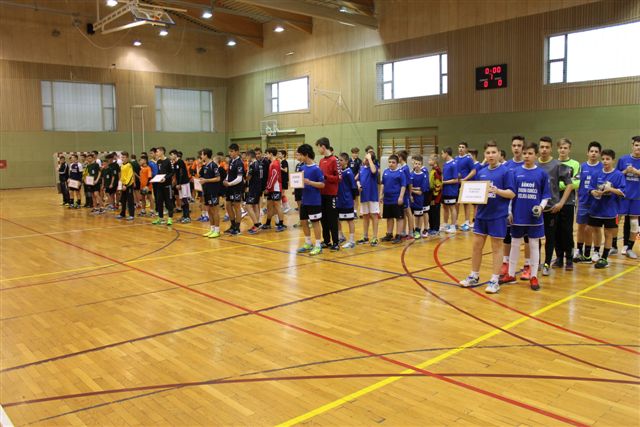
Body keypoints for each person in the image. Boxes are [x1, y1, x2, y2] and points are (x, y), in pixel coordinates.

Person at [459, 141, 516, 293]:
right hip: (481, 215)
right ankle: (474, 275)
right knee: (476, 246)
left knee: (496, 248)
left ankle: (494, 280)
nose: (491, 155)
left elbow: (512, 193)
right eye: (488, 153)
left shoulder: (506, 172)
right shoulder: (481, 172)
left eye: (493, 152)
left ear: (499, 154)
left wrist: (497, 191)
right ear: (485, 155)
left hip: (498, 216)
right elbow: (477, 192)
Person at [500, 141, 551, 291]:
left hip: (534, 217)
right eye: (525, 153)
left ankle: (533, 276)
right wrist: (510, 211)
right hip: (518, 215)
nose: (527, 156)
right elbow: (511, 194)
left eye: (530, 153)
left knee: (534, 244)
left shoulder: (542, 173)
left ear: (535, 155)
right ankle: (511, 274)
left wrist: (541, 207)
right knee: (515, 244)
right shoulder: (515, 172)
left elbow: (546, 195)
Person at [537, 136, 573, 276]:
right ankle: (536, 262)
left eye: (547, 147)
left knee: (550, 237)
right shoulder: (534, 164)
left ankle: (547, 263)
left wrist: (561, 203)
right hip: (536, 209)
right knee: (535, 238)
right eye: (542, 147)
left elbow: (569, 185)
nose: (544, 150)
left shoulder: (557, 165)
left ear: (551, 149)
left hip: (551, 208)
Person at [588, 149, 627, 269]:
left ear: (613, 160)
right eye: (603, 159)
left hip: (610, 210)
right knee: (596, 230)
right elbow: (590, 188)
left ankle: (604, 258)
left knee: (608, 233)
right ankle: (596, 252)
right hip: (596, 208)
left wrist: (610, 189)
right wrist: (594, 192)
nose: (605, 161)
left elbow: (623, 192)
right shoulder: (596, 173)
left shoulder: (618, 175)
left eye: (608, 159)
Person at [500, 136, 532, 279]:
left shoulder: (529, 165)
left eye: (519, 145)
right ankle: (505, 263)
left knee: (527, 238)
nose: (516, 148)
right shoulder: (506, 166)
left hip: (526, 208)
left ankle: (527, 265)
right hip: (511, 209)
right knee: (507, 237)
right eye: (514, 145)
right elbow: (505, 189)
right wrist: (508, 210)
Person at [552, 138, 581, 270]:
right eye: (560, 148)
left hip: (569, 202)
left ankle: (569, 258)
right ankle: (559, 258)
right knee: (556, 230)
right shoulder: (553, 164)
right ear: (557, 149)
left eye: (565, 148)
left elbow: (576, 183)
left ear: (569, 149)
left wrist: (560, 185)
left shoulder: (575, 164)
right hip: (553, 202)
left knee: (567, 231)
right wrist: (564, 184)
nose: (562, 150)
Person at [573, 141, 603, 263]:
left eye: (596, 152)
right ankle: (579, 250)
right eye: (591, 151)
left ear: (599, 154)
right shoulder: (582, 167)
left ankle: (596, 251)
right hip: (583, 201)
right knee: (581, 227)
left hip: (597, 203)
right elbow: (575, 183)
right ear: (587, 153)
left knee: (596, 228)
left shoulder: (602, 167)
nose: (593, 153)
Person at [296, 143, 325, 256]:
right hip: (304, 200)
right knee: (303, 222)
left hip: (314, 201)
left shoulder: (316, 169)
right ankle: (308, 243)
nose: (299, 157)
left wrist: (310, 182)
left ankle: (318, 245)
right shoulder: (302, 167)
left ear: (306, 155)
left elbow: (322, 184)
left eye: (300, 154)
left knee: (315, 223)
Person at [615, 136, 640, 259]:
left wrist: (636, 172)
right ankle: (613, 246)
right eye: (636, 145)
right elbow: (615, 175)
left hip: (637, 198)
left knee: (634, 223)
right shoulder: (623, 159)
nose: (638, 147)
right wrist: (625, 171)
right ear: (632, 145)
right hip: (623, 196)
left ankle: (629, 248)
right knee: (615, 221)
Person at [316, 138, 341, 250]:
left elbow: (339, 178)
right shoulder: (321, 161)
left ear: (323, 146)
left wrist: (326, 177)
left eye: (318, 147)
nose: (318, 150)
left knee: (332, 219)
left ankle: (336, 242)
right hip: (321, 194)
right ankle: (326, 241)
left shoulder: (335, 160)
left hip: (331, 194)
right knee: (323, 219)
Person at [380, 154, 407, 244]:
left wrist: (401, 197)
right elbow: (383, 184)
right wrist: (381, 195)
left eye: (393, 162)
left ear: (397, 163)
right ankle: (389, 234)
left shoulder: (401, 172)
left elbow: (403, 186)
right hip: (387, 199)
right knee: (389, 217)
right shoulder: (386, 171)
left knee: (399, 218)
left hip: (396, 199)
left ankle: (398, 235)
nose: (391, 164)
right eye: (389, 162)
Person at [199, 148, 224, 238]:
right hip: (207, 190)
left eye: (202, 154)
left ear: (206, 155)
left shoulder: (213, 165)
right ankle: (212, 229)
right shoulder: (205, 166)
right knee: (209, 210)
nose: (201, 156)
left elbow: (218, 178)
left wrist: (206, 180)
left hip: (213, 191)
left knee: (215, 211)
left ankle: (217, 230)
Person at [357, 150, 380, 246]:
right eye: (365, 158)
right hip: (364, 196)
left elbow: (374, 171)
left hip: (372, 196)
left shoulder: (374, 167)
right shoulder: (361, 168)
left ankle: (374, 237)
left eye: (367, 159)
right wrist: (358, 185)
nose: (365, 160)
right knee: (365, 216)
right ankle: (365, 237)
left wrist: (370, 159)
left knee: (374, 216)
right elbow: (357, 179)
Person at [223, 143, 245, 235]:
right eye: (229, 151)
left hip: (237, 188)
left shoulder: (239, 163)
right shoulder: (231, 161)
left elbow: (239, 178)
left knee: (237, 207)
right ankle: (232, 225)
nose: (230, 153)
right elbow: (229, 173)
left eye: (232, 151)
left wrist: (229, 183)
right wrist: (226, 179)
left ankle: (237, 228)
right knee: (228, 205)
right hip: (230, 187)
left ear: (237, 152)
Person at [337, 153, 357, 248]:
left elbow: (353, 187)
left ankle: (352, 241)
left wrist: (352, 200)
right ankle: (341, 236)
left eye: (341, 160)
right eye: (338, 160)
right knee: (337, 219)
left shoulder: (349, 172)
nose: (339, 162)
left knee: (350, 220)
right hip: (339, 200)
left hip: (347, 201)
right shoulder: (338, 172)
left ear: (346, 161)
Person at [152, 146, 175, 226]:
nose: (156, 153)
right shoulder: (158, 161)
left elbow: (172, 172)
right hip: (159, 185)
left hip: (167, 185)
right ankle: (160, 218)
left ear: (162, 152)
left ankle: (170, 218)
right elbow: (159, 172)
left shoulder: (169, 161)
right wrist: (156, 178)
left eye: (157, 152)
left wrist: (165, 178)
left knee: (168, 202)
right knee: (159, 202)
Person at [265, 147, 287, 232]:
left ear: (271, 154)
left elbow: (274, 177)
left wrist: (268, 187)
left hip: (276, 188)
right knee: (269, 205)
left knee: (277, 205)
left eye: (267, 154)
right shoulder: (272, 163)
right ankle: (268, 223)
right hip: (271, 188)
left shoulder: (275, 163)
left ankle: (281, 224)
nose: (266, 155)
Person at [456, 142, 476, 231]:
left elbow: (473, 171)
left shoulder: (468, 159)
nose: (461, 148)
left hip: (465, 184)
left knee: (466, 203)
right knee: (456, 203)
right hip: (456, 184)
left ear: (466, 149)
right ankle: (455, 222)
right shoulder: (456, 159)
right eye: (459, 147)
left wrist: (465, 179)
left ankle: (467, 222)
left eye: (463, 147)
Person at [410, 155, 429, 239]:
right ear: (413, 164)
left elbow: (421, 191)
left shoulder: (423, 175)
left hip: (419, 199)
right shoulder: (411, 174)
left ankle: (418, 229)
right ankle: (414, 230)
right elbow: (409, 187)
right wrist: (414, 189)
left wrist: (412, 190)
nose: (417, 165)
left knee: (419, 215)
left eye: (419, 164)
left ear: (421, 165)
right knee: (414, 215)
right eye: (416, 163)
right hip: (412, 199)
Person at [441, 147, 459, 233]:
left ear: (446, 153)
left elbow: (456, 180)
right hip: (445, 190)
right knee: (445, 207)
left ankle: (453, 226)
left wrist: (443, 182)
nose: (441, 155)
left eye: (442, 153)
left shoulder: (454, 164)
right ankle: (445, 224)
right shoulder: (445, 164)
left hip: (451, 190)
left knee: (452, 207)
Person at [170, 150, 192, 223]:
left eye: (171, 155)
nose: (170, 156)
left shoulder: (180, 162)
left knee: (185, 200)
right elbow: (176, 174)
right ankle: (184, 215)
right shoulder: (175, 163)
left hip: (184, 183)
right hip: (180, 184)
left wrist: (179, 184)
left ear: (175, 155)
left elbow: (181, 173)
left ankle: (187, 217)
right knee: (182, 200)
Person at [245, 150, 264, 234]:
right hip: (259, 187)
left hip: (254, 188)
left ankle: (256, 224)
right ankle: (257, 224)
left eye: (247, 156)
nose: (246, 158)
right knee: (255, 206)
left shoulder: (252, 165)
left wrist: (245, 176)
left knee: (248, 206)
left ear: (249, 156)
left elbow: (248, 177)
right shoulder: (260, 164)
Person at [397, 150, 414, 240]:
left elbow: (409, 183)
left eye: (397, 156)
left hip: (406, 194)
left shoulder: (405, 168)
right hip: (402, 194)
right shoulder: (401, 168)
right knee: (403, 212)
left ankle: (411, 232)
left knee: (408, 212)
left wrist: (410, 195)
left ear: (400, 157)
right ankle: (403, 231)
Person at [116, 151, 135, 220]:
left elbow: (130, 176)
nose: (122, 159)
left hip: (128, 185)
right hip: (123, 185)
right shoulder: (122, 165)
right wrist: (120, 184)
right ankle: (122, 214)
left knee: (130, 200)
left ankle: (131, 215)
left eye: (124, 157)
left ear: (127, 158)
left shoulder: (129, 165)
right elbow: (122, 176)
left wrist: (126, 185)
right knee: (123, 200)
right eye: (122, 157)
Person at [427, 154, 442, 236]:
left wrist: (434, 196)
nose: (428, 161)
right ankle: (431, 227)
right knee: (431, 212)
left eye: (430, 160)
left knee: (435, 213)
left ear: (434, 161)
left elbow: (438, 185)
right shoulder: (432, 170)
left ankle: (436, 229)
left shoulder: (437, 171)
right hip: (431, 196)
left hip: (435, 197)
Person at [349, 147, 363, 216]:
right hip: (349, 181)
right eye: (354, 153)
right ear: (352, 153)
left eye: (357, 153)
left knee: (356, 196)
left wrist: (356, 177)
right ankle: (350, 210)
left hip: (356, 181)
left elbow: (360, 171)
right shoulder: (348, 161)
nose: (356, 154)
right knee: (350, 196)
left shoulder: (359, 161)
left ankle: (355, 211)